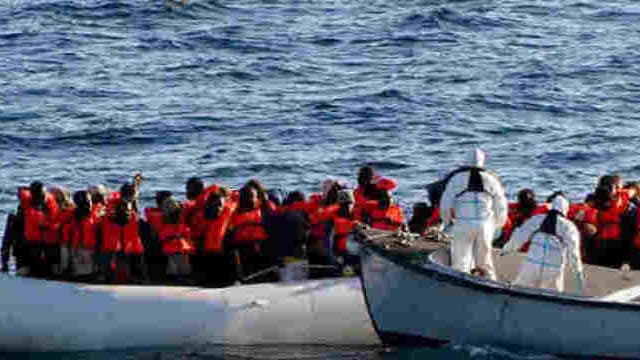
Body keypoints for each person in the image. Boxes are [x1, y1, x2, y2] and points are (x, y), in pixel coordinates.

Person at [439, 148, 508, 280]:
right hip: (485, 225)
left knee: (461, 260)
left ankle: (461, 288)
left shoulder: (457, 179)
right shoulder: (492, 180)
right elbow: (501, 205)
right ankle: (490, 285)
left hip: (463, 224)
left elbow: (445, 205)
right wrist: (498, 224)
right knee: (485, 261)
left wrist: (447, 222)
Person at [501, 193, 585, 293]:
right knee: (553, 296)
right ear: (566, 209)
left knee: (519, 291)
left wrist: (506, 249)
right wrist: (577, 272)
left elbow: (519, 237)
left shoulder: (537, 219)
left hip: (532, 264)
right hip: (553, 269)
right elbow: (573, 252)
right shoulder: (569, 227)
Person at [65, 191, 100, 281]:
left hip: (89, 247)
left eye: (88, 202)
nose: (87, 205)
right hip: (78, 247)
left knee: (88, 270)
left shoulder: (95, 215)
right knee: (81, 271)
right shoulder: (72, 216)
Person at [158, 197, 194, 282]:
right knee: (174, 264)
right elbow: (162, 235)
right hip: (173, 246)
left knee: (183, 263)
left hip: (181, 246)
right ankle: (176, 278)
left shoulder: (181, 218)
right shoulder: (164, 221)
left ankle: (182, 278)